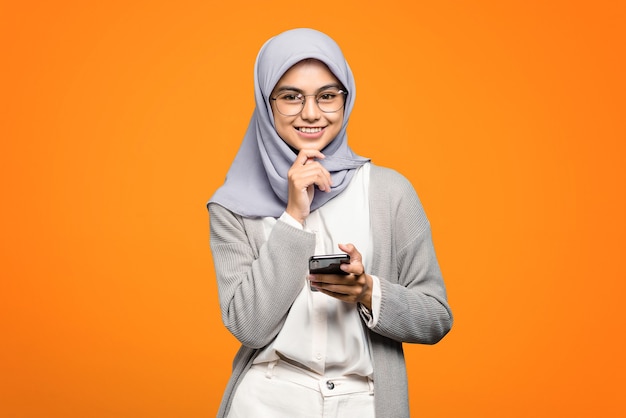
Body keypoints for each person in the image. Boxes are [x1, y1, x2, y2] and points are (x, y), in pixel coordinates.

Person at [207, 28, 452, 418]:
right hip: (266, 401)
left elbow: (436, 317)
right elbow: (249, 326)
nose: (310, 113)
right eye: (290, 97)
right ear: (265, 102)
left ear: (346, 99)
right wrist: (293, 215)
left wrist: (368, 291)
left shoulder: (389, 192)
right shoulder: (232, 207)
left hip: (363, 403)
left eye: (327, 95)